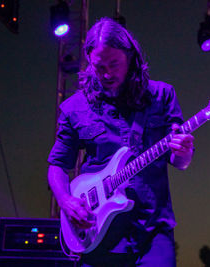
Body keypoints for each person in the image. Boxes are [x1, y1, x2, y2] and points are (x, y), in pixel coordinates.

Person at [47, 17, 194, 267]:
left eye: (114, 64)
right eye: (99, 66)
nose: (106, 73)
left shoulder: (161, 95)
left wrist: (184, 151)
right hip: (98, 231)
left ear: (131, 57)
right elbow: (58, 165)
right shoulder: (75, 108)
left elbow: (179, 162)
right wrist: (66, 200)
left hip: (152, 229)